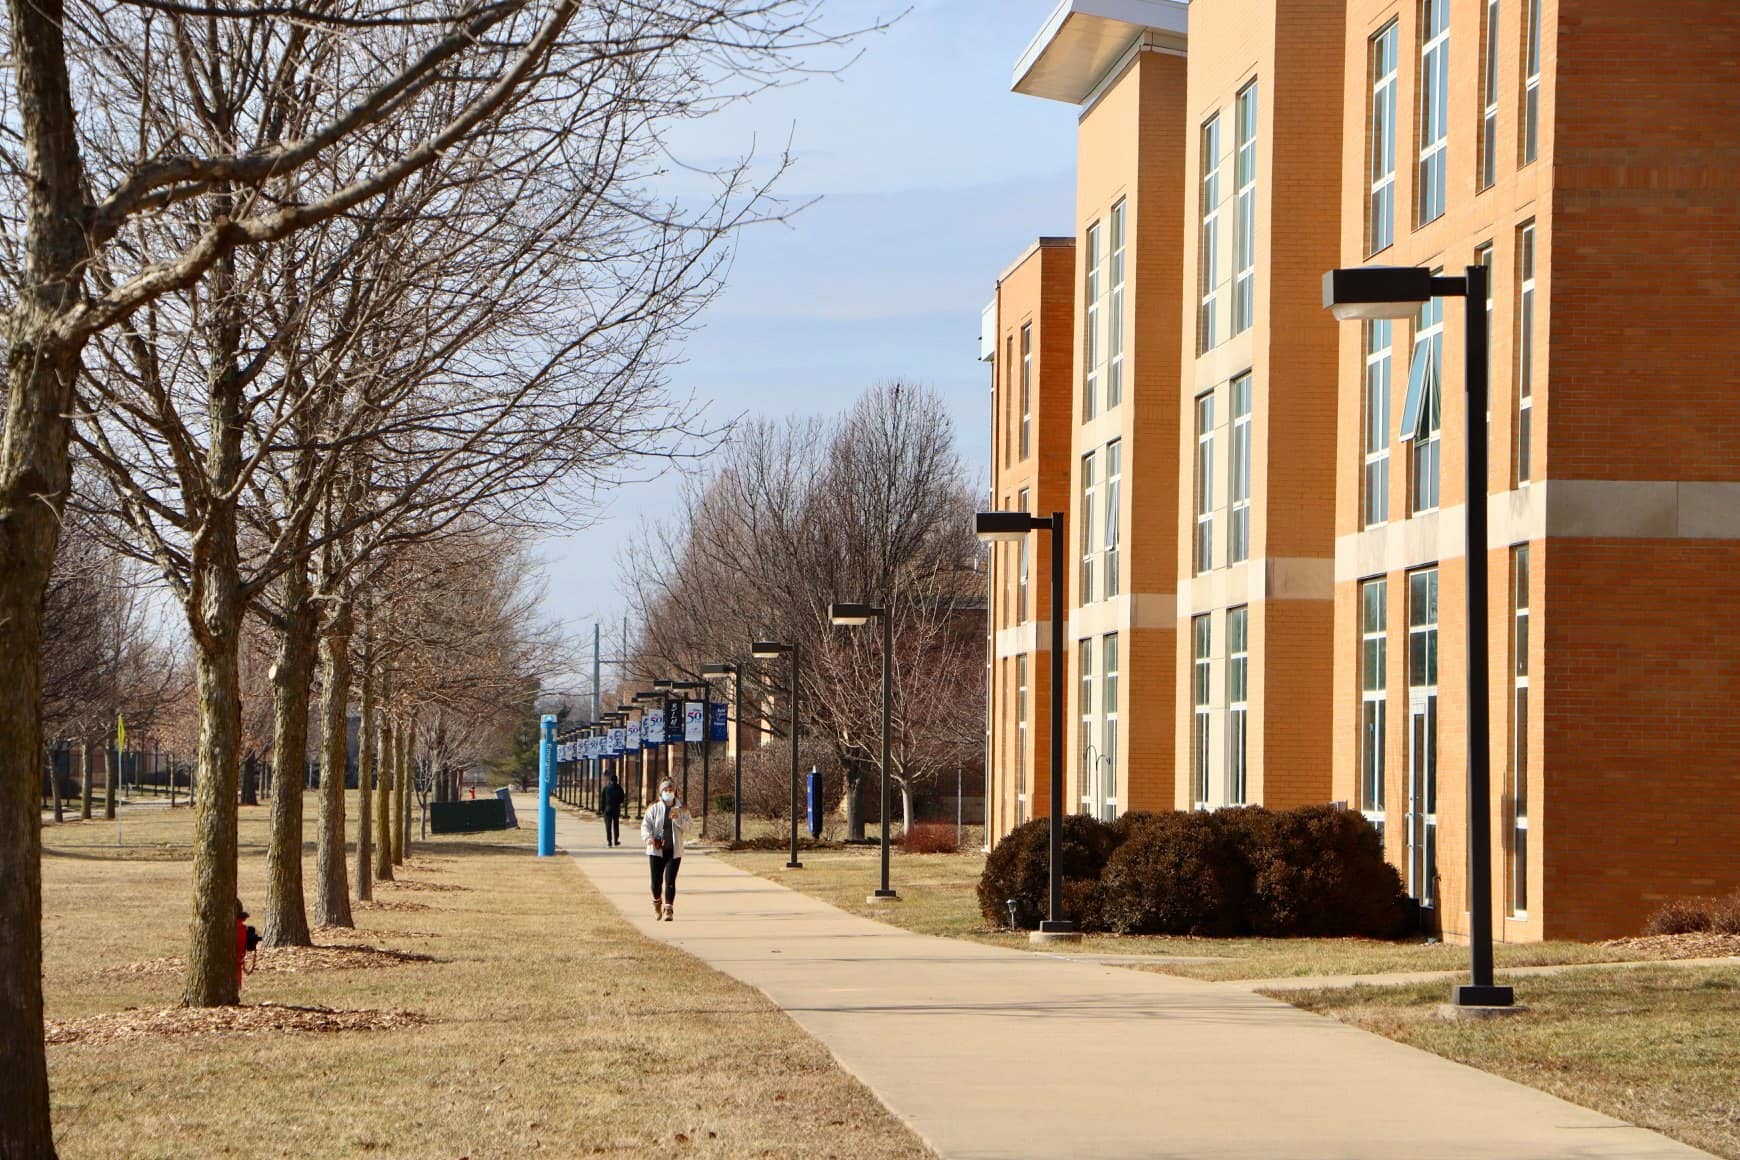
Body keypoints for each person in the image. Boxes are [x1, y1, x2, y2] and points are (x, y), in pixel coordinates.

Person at [640, 778, 691, 921]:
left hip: (674, 851)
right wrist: (648, 838)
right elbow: (646, 825)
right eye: (665, 790)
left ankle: (669, 909)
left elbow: (689, 827)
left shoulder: (682, 809)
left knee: (670, 881)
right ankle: (657, 903)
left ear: (675, 791)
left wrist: (678, 820)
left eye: (671, 790)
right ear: (661, 792)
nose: (668, 792)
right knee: (656, 882)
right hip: (656, 850)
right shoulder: (654, 808)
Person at [600, 771, 624, 847]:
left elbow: (602, 799)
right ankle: (616, 840)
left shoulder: (606, 788)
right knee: (616, 825)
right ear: (616, 780)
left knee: (608, 825)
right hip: (616, 808)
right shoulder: (619, 788)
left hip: (608, 809)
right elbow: (622, 798)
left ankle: (609, 841)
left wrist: (602, 809)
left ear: (610, 780)